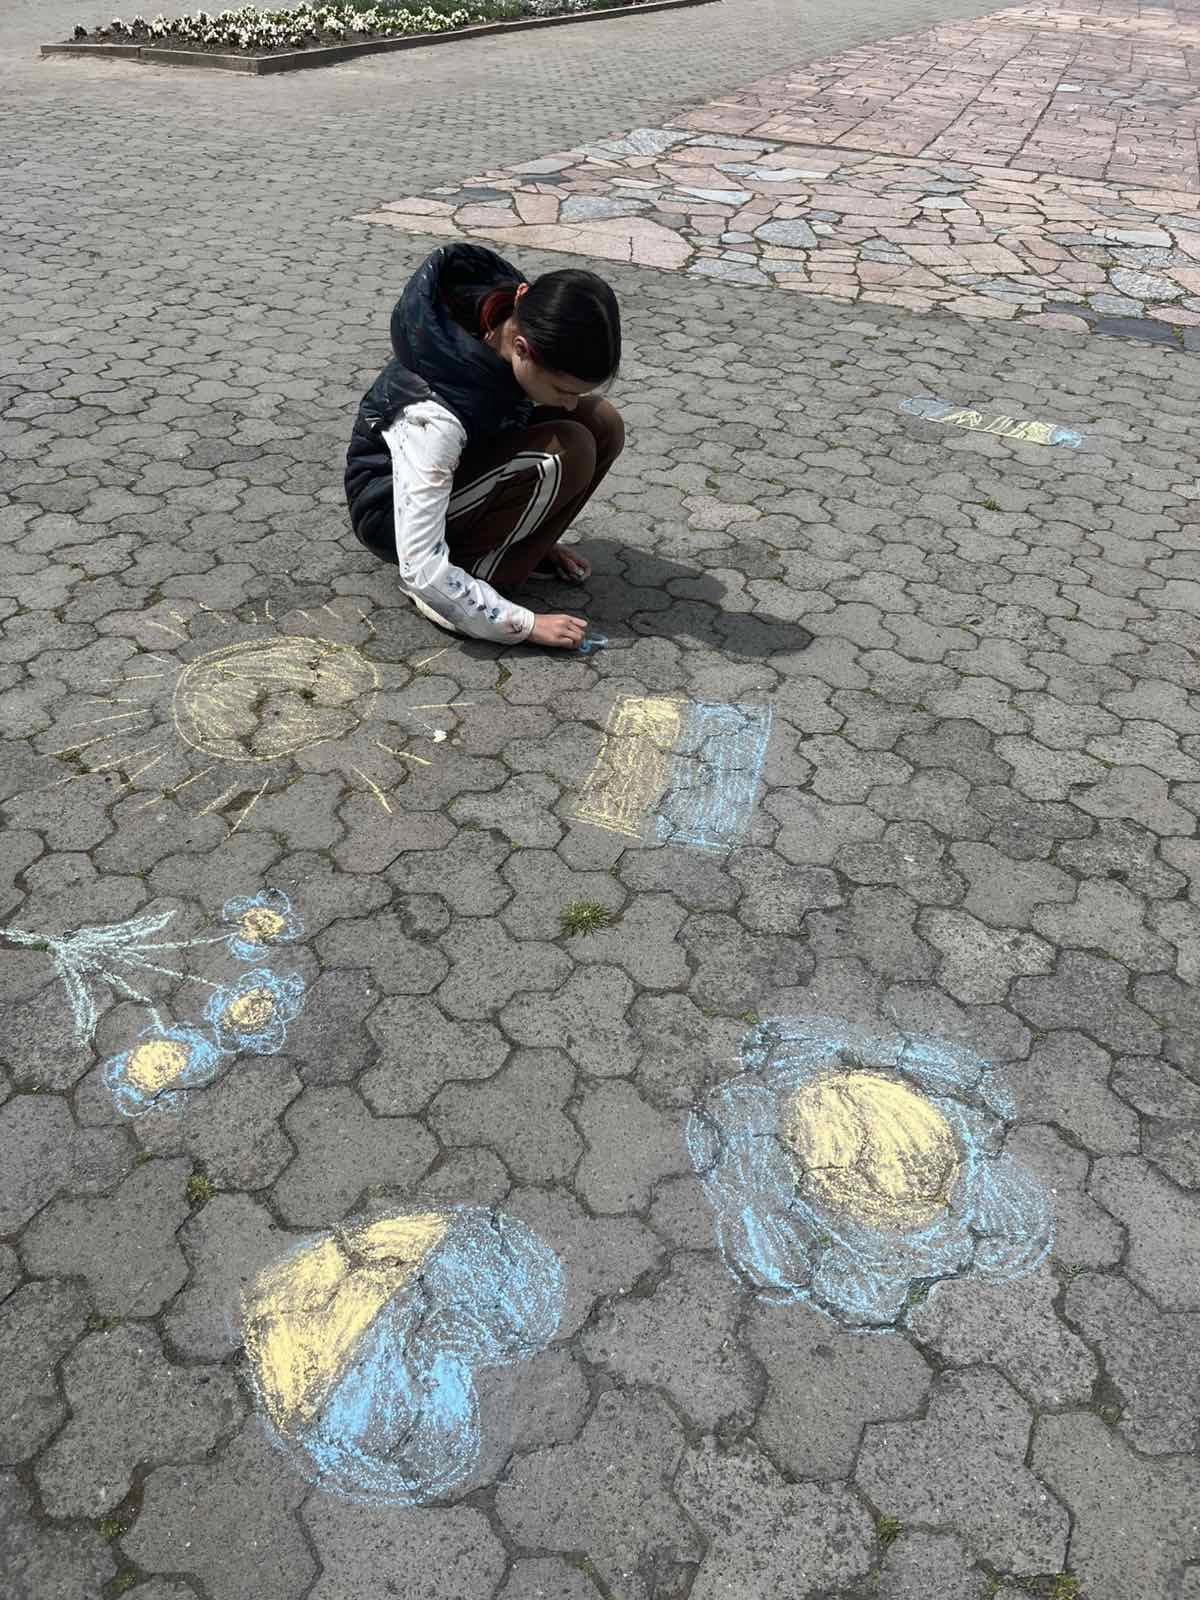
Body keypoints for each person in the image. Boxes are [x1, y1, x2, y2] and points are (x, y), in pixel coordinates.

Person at [345, 242, 624, 650]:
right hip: (390, 514)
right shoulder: (433, 417)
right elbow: (419, 566)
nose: (568, 402)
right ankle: (477, 580)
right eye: (562, 389)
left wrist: (537, 535)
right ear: (522, 348)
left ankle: (516, 550)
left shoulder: (508, 321)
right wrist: (524, 624)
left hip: (461, 472)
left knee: (601, 422)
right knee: (569, 449)